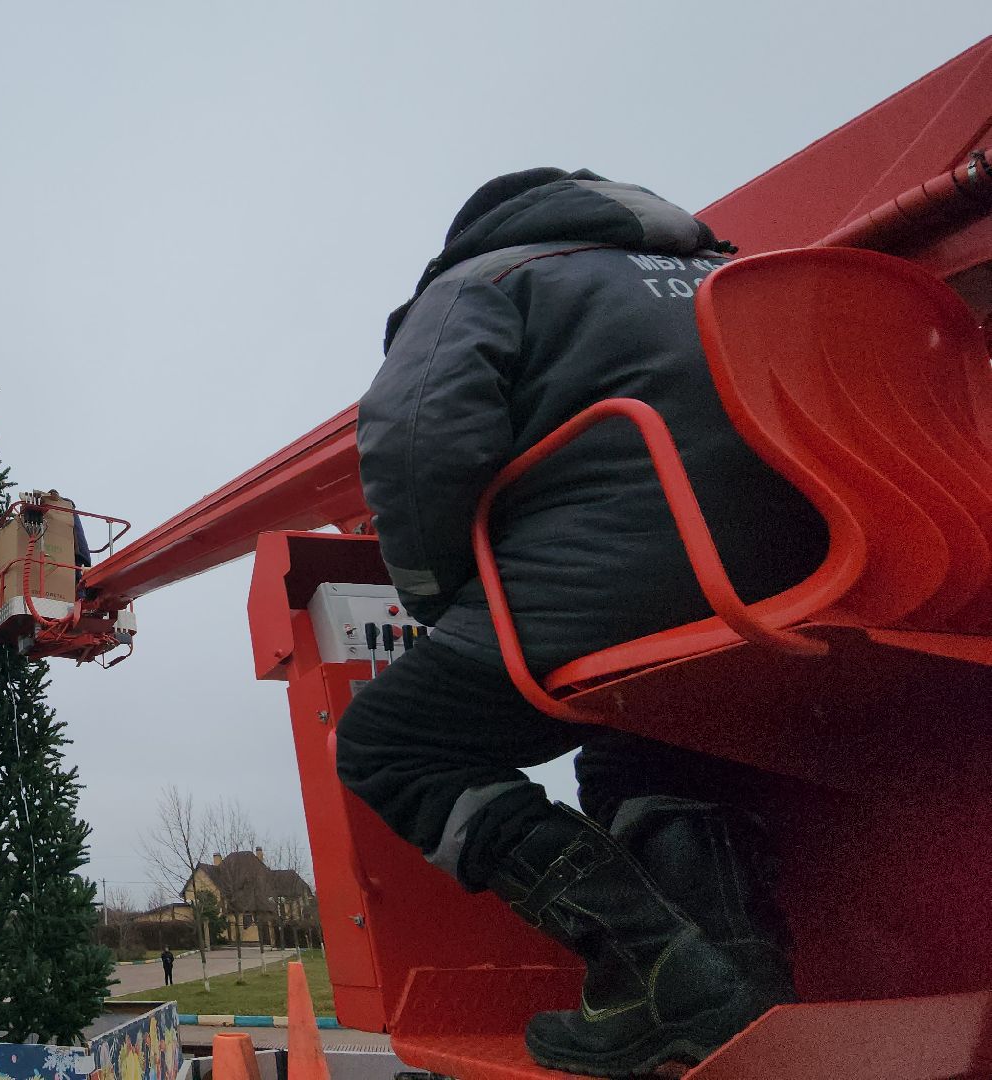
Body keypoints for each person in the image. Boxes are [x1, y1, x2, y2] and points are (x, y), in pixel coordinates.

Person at [340, 168, 825, 1076]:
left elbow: (414, 439)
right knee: (642, 739)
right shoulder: (732, 272)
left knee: (390, 745)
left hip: (629, 584)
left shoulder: (482, 282)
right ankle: (740, 986)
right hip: (810, 587)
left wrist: (442, 598)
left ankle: (649, 972)